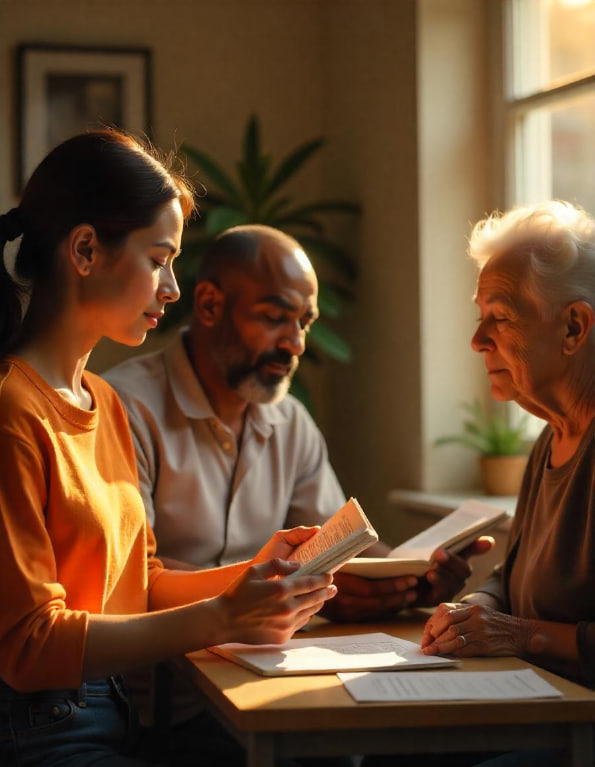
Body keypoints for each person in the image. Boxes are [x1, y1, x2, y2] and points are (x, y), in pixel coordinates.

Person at [0, 129, 338, 767]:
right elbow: (27, 645)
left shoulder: (102, 401)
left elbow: (139, 585)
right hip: (37, 733)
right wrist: (221, 620)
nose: (173, 288)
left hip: (109, 717)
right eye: (159, 259)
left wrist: (254, 575)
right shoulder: (13, 411)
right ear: (85, 250)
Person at [103, 223, 493, 755]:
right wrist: (286, 589)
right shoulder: (125, 408)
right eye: (273, 318)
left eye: (304, 323)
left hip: (275, 681)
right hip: (165, 705)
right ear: (211, 305)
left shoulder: (290, 422)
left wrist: (410, 577)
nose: (295, 344)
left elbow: (339, 543)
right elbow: (128, 589)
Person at [385, 199, 594, 767]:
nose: (478, 340)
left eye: (498, 316)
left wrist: (518, 635)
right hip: (533, 704)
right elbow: (510, 576)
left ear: (573, 326)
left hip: (580, 725)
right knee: (386, 755)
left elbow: (523, 627)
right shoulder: (551, 438)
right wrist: (472, 607)